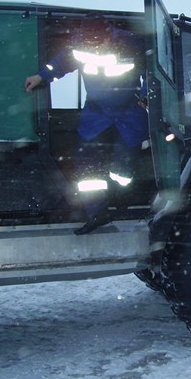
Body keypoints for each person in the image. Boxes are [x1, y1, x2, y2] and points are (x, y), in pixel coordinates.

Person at [25, 15, 149, 235]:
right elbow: (62, 62)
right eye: (90, 43)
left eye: (99, 42)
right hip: (97, 114)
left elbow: (153, 66)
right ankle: (97, 212)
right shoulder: (79, 46)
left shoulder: (132, 43)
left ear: (108, 34)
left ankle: (121, 203)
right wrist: (41, 76)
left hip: (129, 112)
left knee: (123, 167)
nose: (95, 47)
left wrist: (147, 93)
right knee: (87, 166)